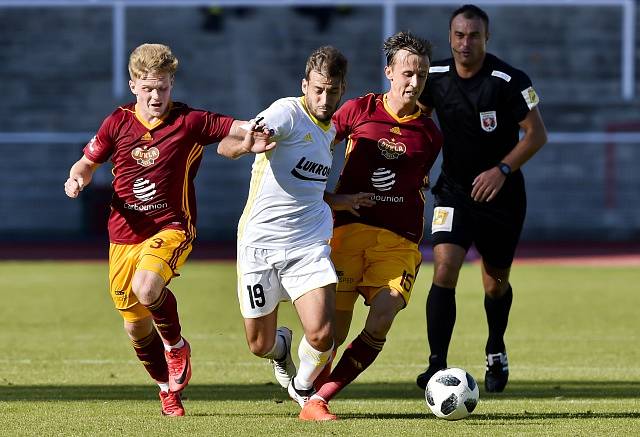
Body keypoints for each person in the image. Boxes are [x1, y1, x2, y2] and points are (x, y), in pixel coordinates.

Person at [64, 43, 268, 416]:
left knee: (147, 288)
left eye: (162, 87)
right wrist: (76, 179)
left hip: (171, 226)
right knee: (135, 329)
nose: (156, 96)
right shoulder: (117, 122)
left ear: (172, 83)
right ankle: (166, 389)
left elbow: (236, 127)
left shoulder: (188, 121)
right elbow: (85, 163)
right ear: (133, 86)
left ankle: (175, 345)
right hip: (124, 234)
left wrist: (254, 134)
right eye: (148, 88)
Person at [217, 46, 373, 421]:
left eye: (332, 91)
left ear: (341, 89)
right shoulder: (285, 112)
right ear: (305, 85)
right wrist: (245, 145)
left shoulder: (332, 129)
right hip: (259, 243)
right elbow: (225, 146)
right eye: (317, 89)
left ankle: (304, 390)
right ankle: (282, 346)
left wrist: (341, 199)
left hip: (308, 242)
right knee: (259, 345)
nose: (324, 98)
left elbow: (310, 188)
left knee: (323, 334)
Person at [299, 31, 442, 421]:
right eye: (408, 74)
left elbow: (420, 178)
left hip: (399, 242)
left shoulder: (430, 133)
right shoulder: (357, 110)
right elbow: (313, 151)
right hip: (347, 233)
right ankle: (306, 392)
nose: (415, 83)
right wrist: (328, 198)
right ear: (389, 72)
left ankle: (320, 399)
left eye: (423, 76)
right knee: (332, 333)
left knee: (384, 312)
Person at [414, 4, 548, 393]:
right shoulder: (434, 76)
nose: (465, 42)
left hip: (502, 196)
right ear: (450, 37)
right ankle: (436, 365)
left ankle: (495, 347)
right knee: (444, 269)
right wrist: (418, 166)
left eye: (474, 35)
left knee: (495, 283)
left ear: (487, 38)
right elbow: (420, 121)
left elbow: (536, 134)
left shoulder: (509, 80)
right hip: (452, 191)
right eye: (459, 35)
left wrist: (501, 170)